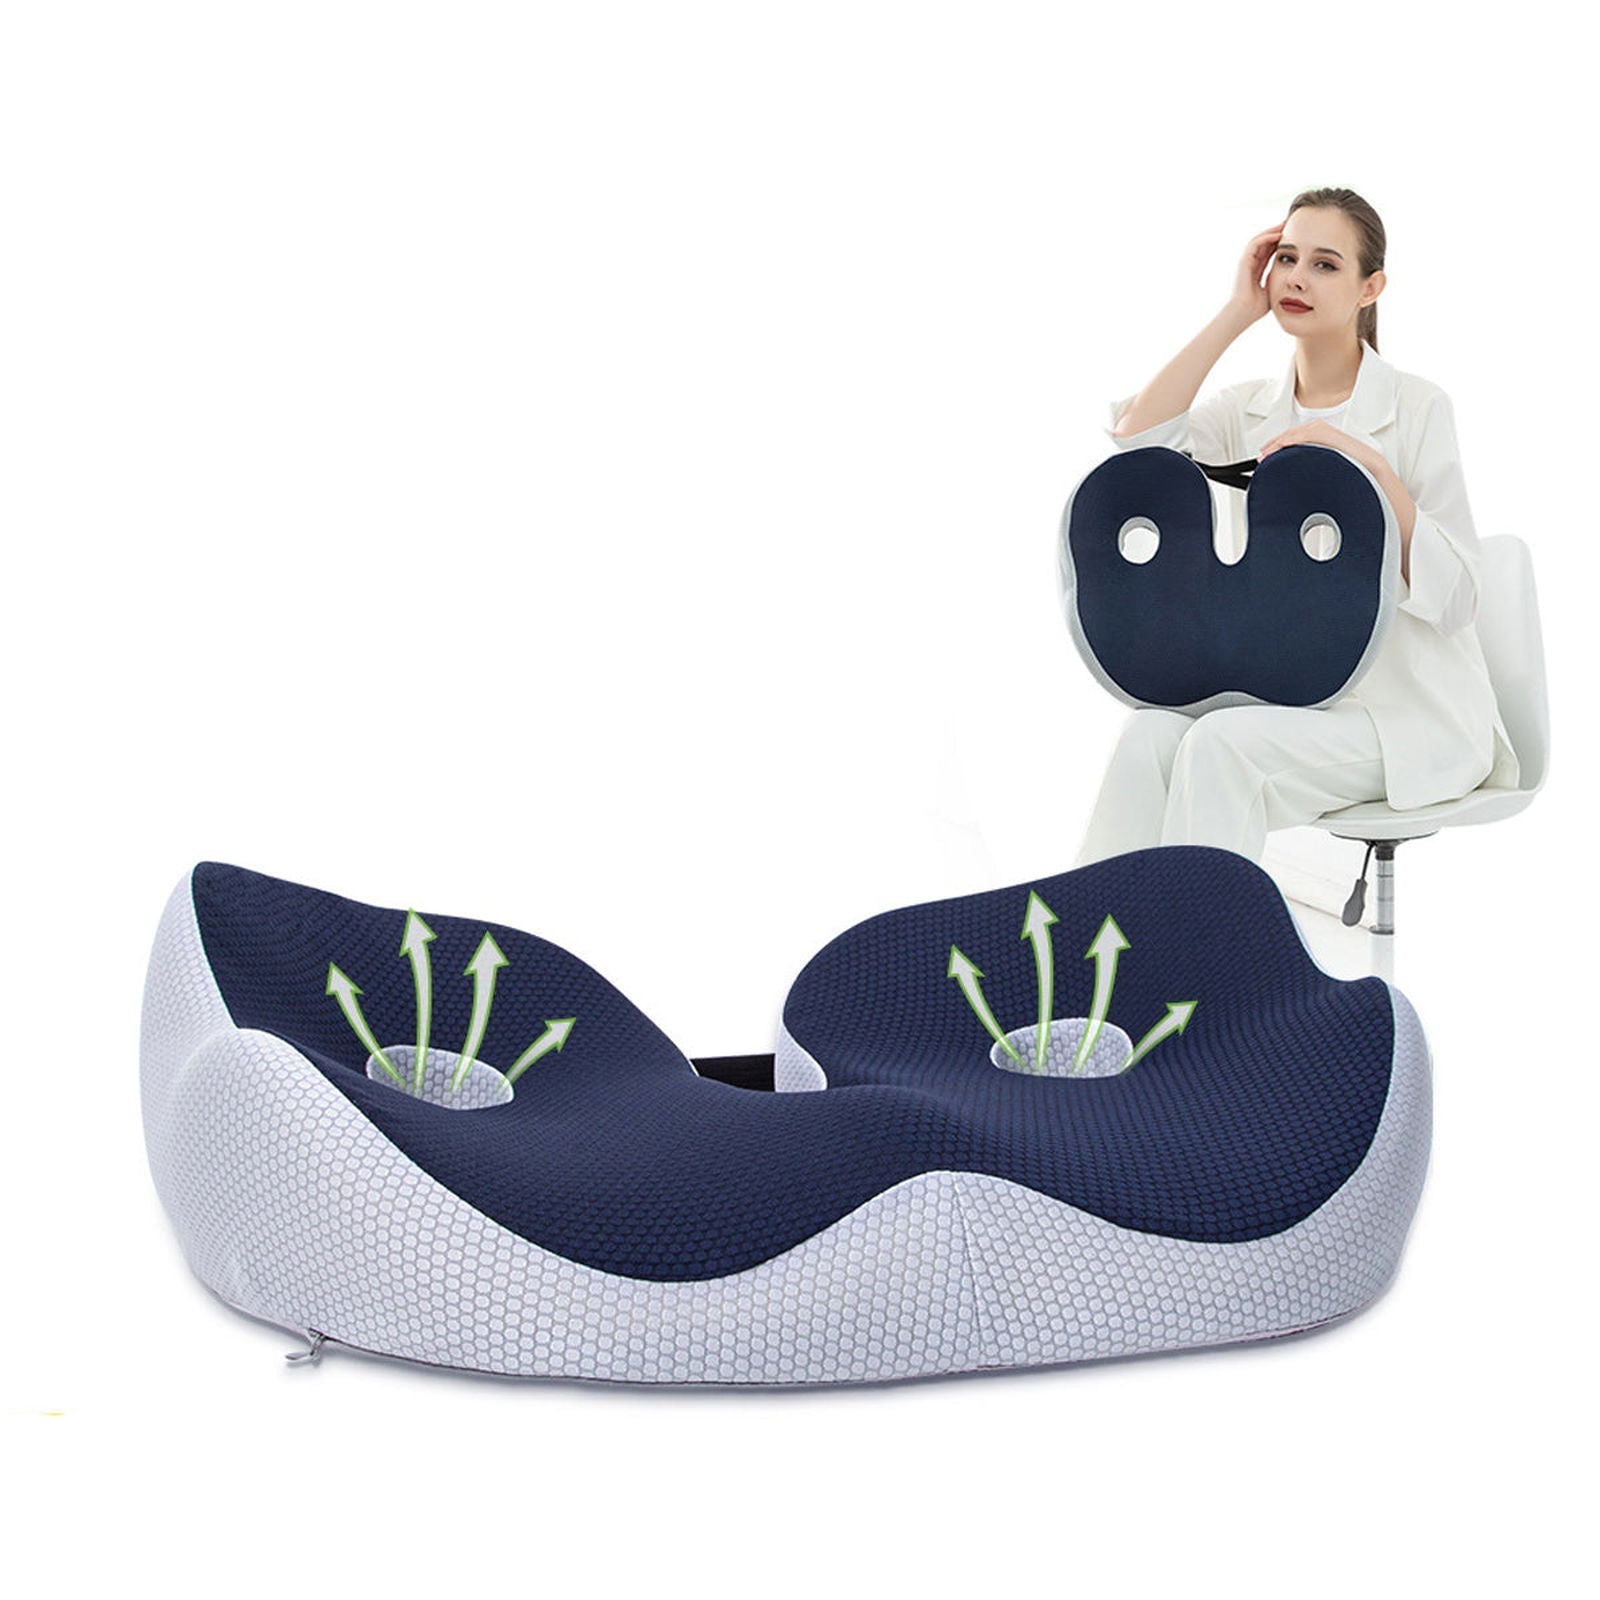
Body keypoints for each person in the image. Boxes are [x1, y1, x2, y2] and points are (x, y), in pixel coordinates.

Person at [1074, 185, 1519, 868]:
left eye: (1325, 264)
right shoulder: (1249, 412)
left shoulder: (1416, 408)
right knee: (1151, 735)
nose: (1297, 278)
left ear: (1371, 288)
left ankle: (1208, 938)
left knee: (1222, 746)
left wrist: (1372, 468)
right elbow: (1137, 446)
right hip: (1293, 700)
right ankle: (1098, 930)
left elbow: (1458, 599)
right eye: (1286, 258)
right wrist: (1237, 310)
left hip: (1409, 719)